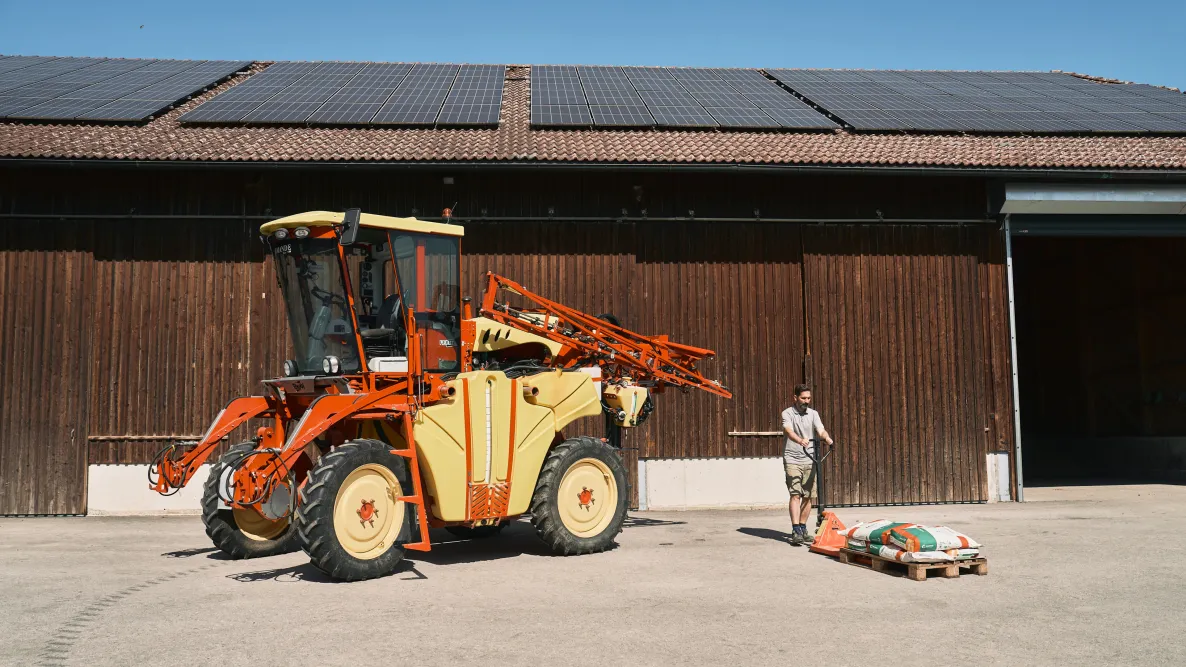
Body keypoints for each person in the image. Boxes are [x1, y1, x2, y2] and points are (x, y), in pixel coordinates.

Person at [781, 384, 833, 546]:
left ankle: (803, 528)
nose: (806, 401)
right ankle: (796, 529)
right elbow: (788, 430)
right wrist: (799, 440)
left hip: (810, 458)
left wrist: (827, 438)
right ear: (795, 398)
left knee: (809, 495)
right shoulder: (787, 413)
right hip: (793, 458)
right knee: (795, 494)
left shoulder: (813, 414)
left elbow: (820, 429)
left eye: (808, 398)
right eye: (803, 398)